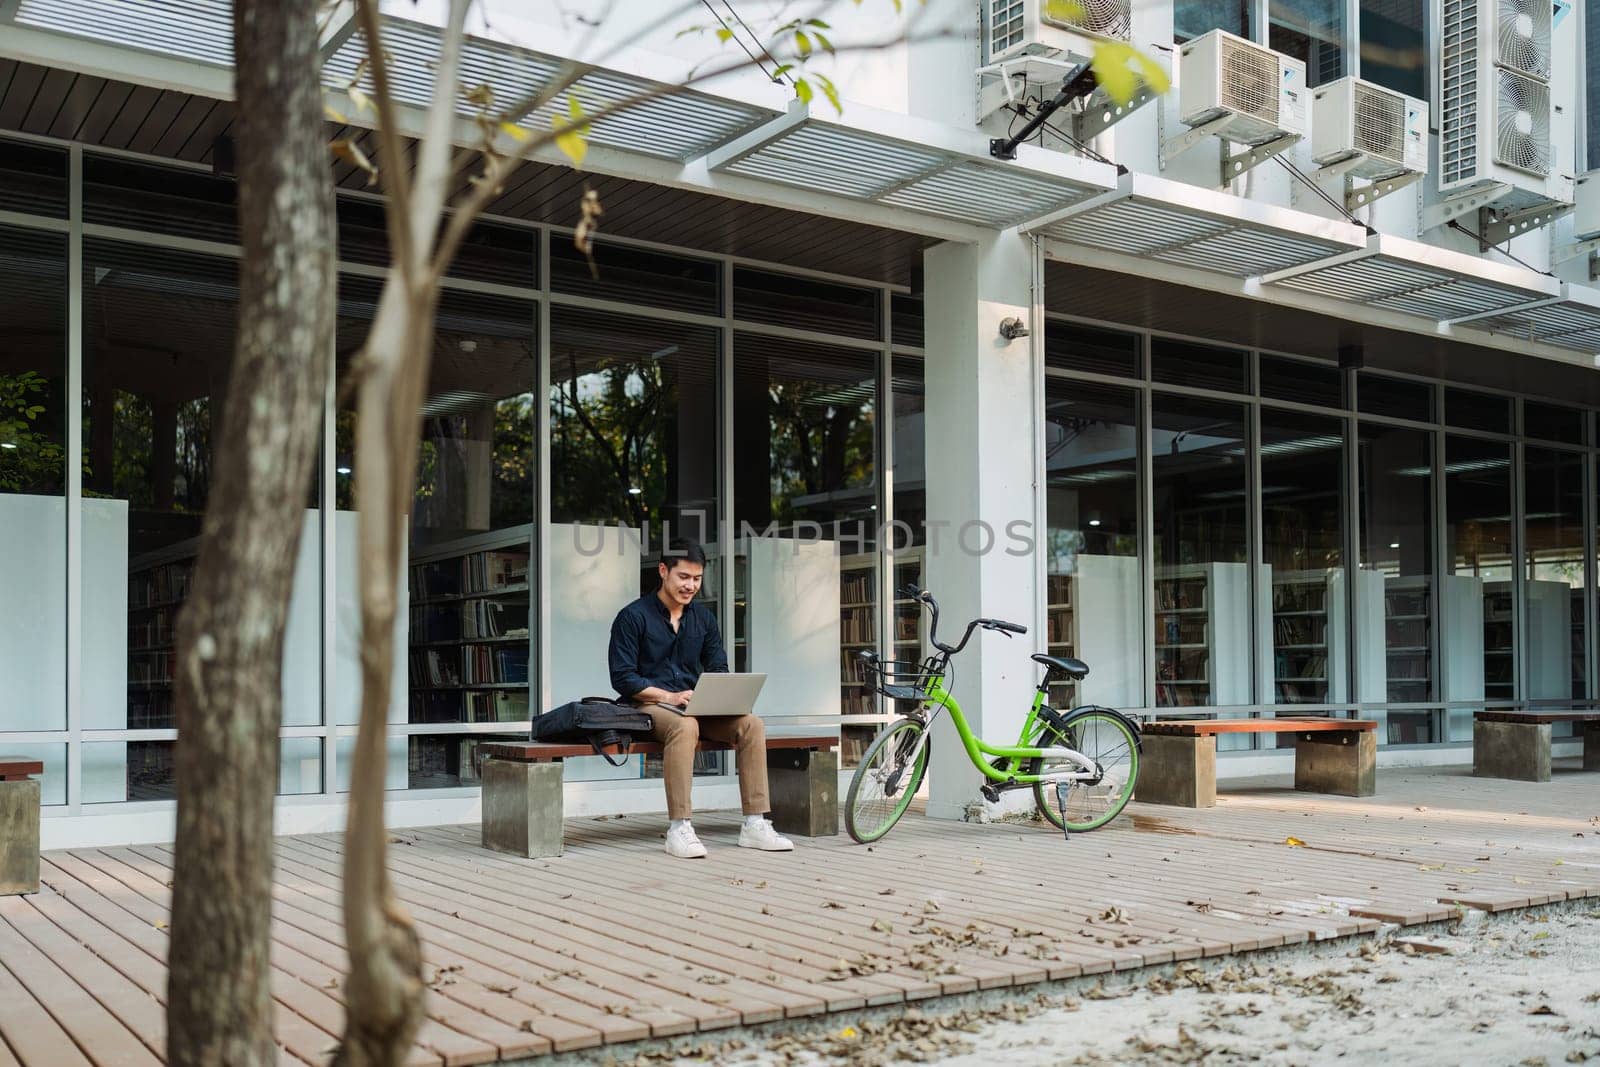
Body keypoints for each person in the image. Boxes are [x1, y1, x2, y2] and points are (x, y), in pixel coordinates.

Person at [607, 540, 794, 859]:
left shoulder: (704, 620)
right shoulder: (633, 617)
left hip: (695, 706)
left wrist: (719, 697)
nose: (690, 585)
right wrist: (670, 695)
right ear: (663, 571)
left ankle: (754, 823)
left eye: (696, 578)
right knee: (685, 727)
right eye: (683, 577)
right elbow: (623, 678)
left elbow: (718, 666)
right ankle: (679, 828)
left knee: (751, 724)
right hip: (647, 705)